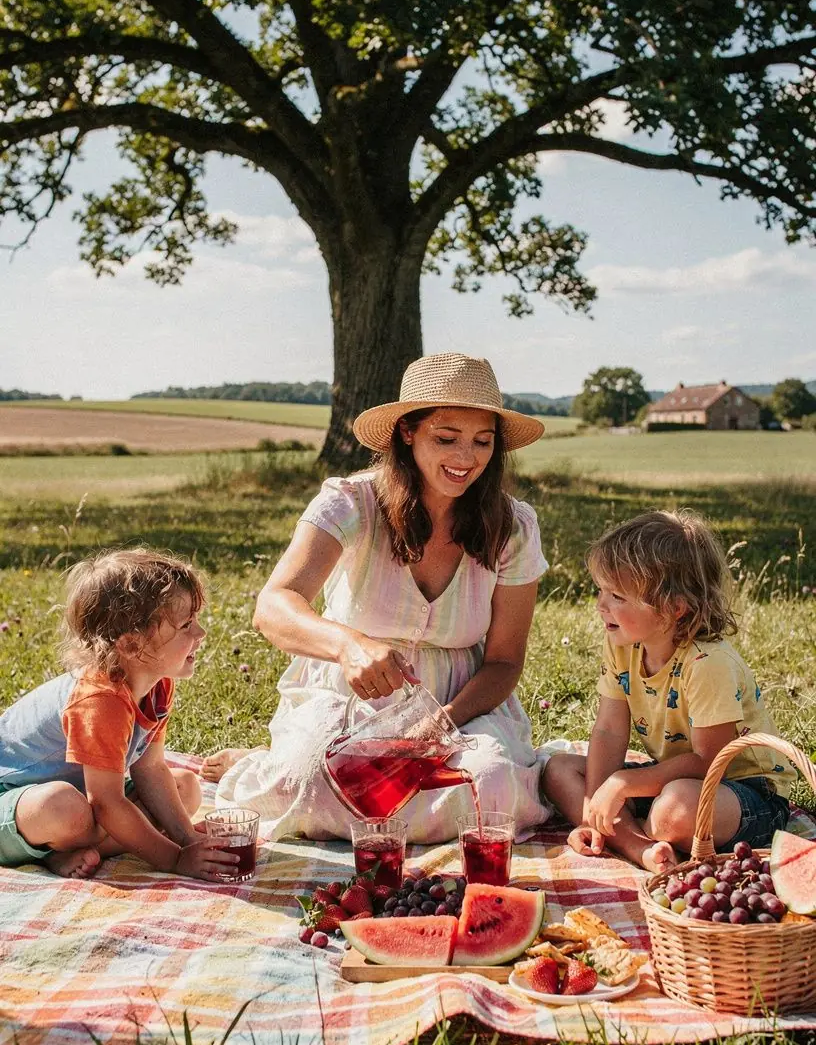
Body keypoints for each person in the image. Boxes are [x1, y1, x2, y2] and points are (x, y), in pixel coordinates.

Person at [211, 352, 561, 841]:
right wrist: (347, 644)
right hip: (350, 698)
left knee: (491, 788)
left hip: (462, 705)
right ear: (407, 433)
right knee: (308, 784)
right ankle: (264, 765)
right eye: (446, 438)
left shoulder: (514, 526)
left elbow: (504, 661)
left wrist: (438, 726)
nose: (466, 459)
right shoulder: (350, 501)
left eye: (483, 442)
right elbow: (273, 606)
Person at [542, 510, 793, 872]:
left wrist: (626, 782)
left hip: (743, 792)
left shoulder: (708, 663)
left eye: (617, 596)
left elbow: (710, 762)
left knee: (674, 809)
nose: (601, 604)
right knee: (558, 769)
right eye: (601, 590)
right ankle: (637, 845)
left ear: (673, 608)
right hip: (671, 776)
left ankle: (634, 834)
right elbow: (609, 731)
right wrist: (598, 803)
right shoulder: (622, 643)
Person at [0, 548, 237, 881]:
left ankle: (69, 847)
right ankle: (56, 853)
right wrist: (175, 858)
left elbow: (150, 767)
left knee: (185, 788)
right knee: (65, 807)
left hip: (85, 794)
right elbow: (107, 802)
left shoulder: (157, 685)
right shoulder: (100, 700)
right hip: (17, 798)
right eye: (186, 625)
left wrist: (188, 838)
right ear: (130, 646)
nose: (201, 634)